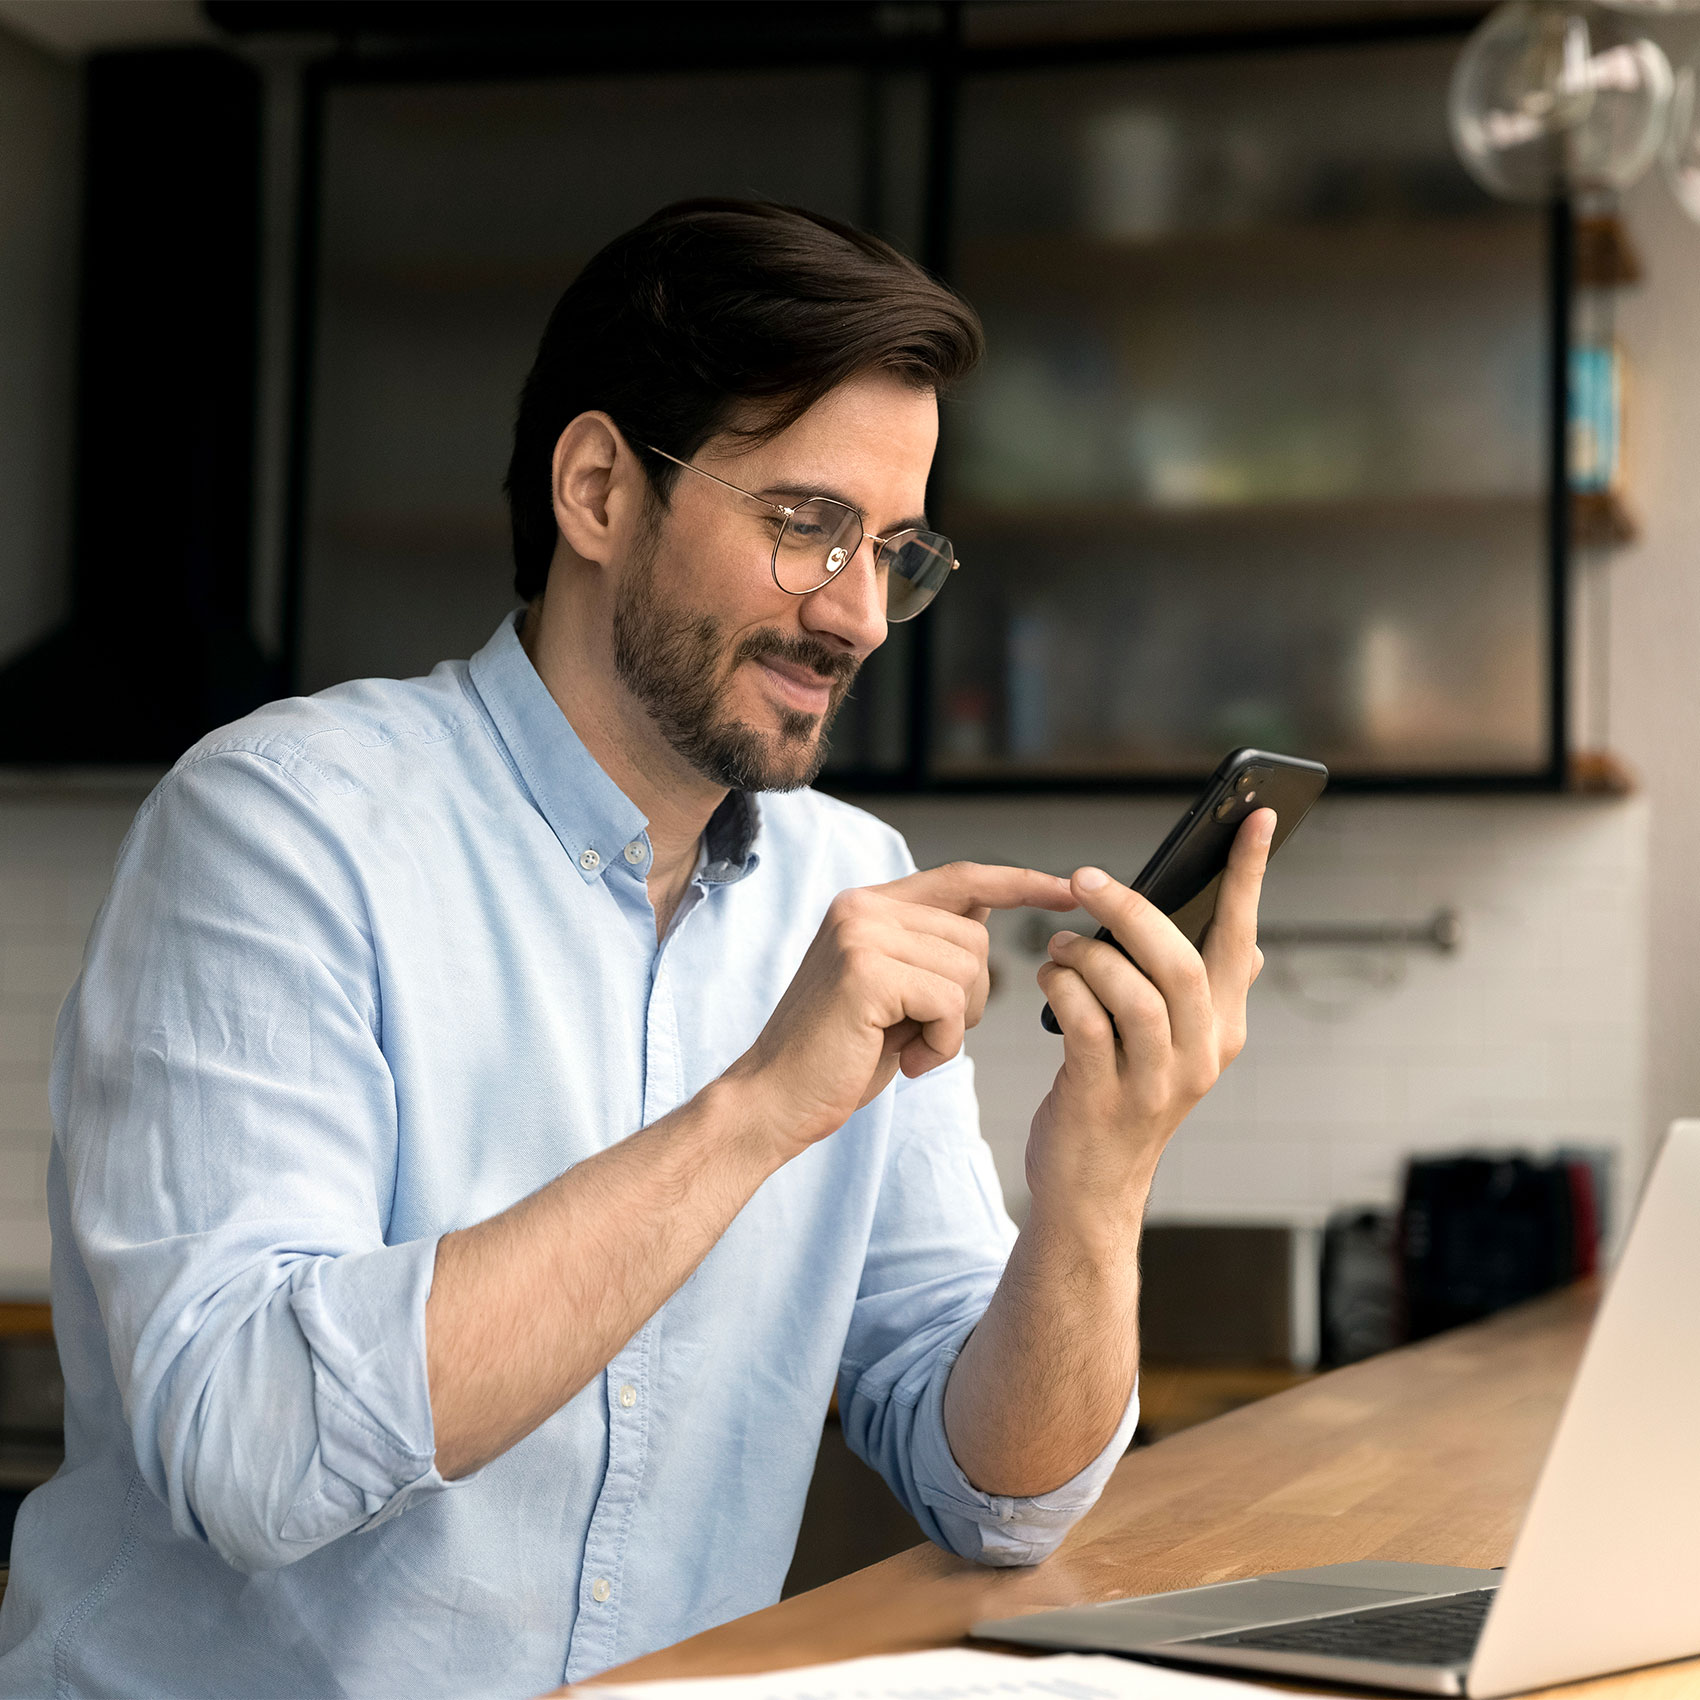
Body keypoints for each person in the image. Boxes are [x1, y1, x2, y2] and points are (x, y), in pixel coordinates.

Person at [0, 200, 1271, 1699]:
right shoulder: (282, 826)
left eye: (897, 551)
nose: (861, 616)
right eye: (809, 528)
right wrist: (754, 1111)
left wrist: (1098, 1184)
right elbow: (253, 1449)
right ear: (600, 490)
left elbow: (997, 1494)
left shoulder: (853, 882)